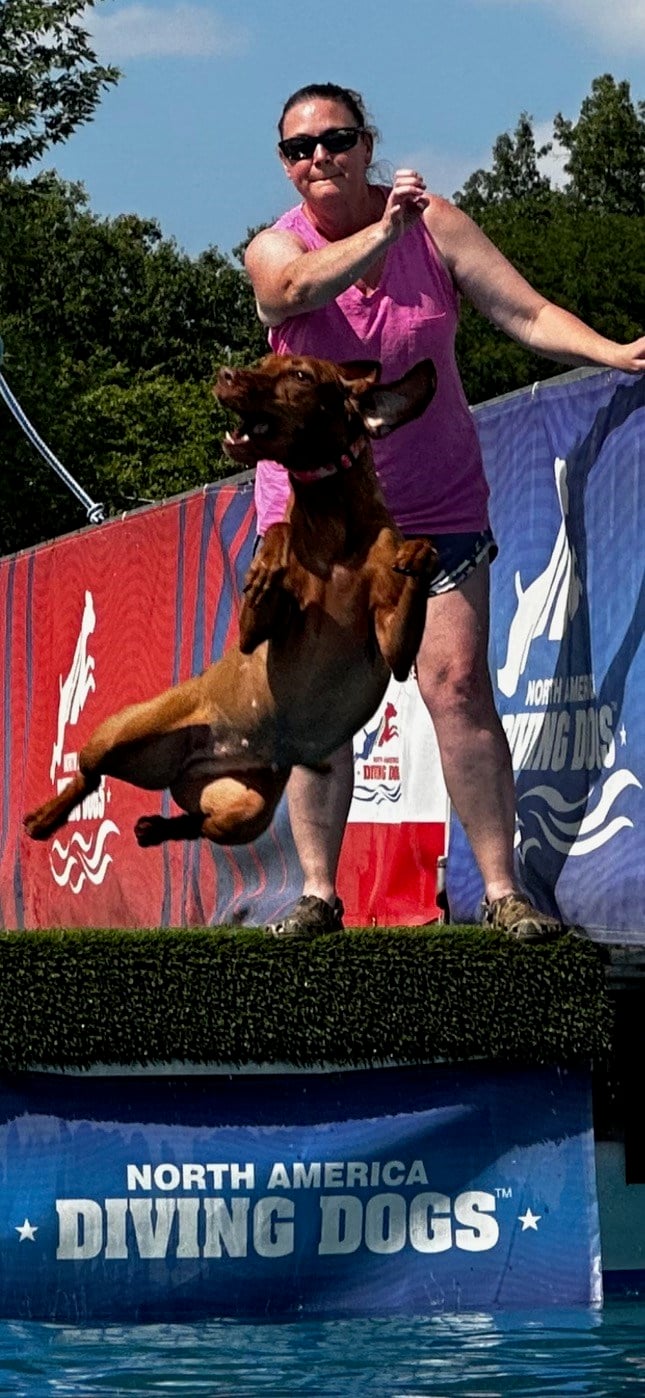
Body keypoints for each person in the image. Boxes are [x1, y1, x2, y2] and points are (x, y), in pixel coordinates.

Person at [244, 81, 645, 942]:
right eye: (298, 148)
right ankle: (316, 893)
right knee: (322, 705)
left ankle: (502, 891)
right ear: (285, 166)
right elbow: (290, 296)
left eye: (336, 139)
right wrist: (381, 233)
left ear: (365, 143)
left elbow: (525, 311)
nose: (319, 158)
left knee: (457, 686)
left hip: (434, 504)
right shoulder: (275, 247)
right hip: (317, 516)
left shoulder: (434, 225)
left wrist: (613, 353)